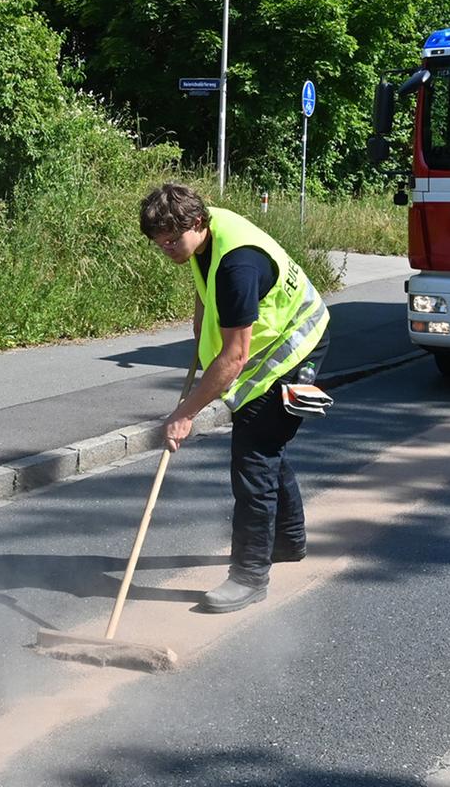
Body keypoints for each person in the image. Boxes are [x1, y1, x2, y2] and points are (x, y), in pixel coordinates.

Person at [140, 183, 331, 614]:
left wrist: (183, 414)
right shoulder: (206, 237)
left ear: (197, 223)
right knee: (265, 446)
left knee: (254, 458)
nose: (167, 250)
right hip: (266, 346)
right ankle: (287, 541)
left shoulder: (238, 266)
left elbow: (234, 358)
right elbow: (206, 287)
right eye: (160, 244)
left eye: (172, 241)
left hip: (294, 348)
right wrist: (199, 323)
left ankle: (249, 576)